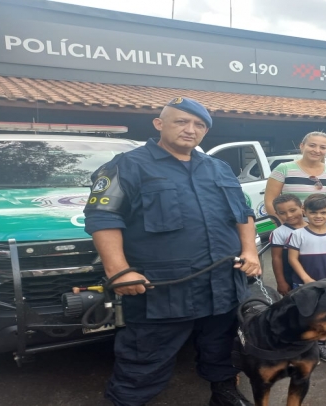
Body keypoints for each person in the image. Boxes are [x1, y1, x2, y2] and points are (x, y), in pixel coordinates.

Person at [83, 97, 260, 406]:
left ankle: (223, 392)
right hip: (163, 288)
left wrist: (251, 252)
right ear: (159, 124)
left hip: (222, 281)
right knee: (144, 357)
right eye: (181, 121)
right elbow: (103, 217)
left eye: (199, 125)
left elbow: (243, 213)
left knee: (222, 346)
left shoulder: (219, 168)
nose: (190, 130)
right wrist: (119, 270)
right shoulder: (127, 165)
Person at [287, 194, 326, 361]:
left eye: (323, 212)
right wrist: (306, 279)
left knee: (325, 315)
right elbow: (292, 258)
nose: (318, 216)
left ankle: (321, 345)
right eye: (313, 213)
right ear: (305, 212)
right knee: (304, 314)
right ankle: (304, 348)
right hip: (303, 284)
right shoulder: (298, 234)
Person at [264, 131, 326, 230]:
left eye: (323, 147)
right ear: (302, 146)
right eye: (312, 145)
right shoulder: (284, 168)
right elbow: (270, 202)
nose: (317, 150)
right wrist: (284, 226)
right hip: (296, 230)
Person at [270, 194, 307, 296]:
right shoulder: (279, 233)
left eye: (292, 210)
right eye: (282, 213)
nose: (289, 215)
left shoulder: (314, 227)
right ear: (276, 214)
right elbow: (276, 258)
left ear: (302, 208)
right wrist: (280, 282)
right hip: (291, 278)